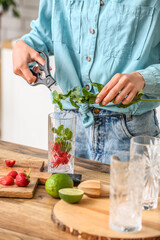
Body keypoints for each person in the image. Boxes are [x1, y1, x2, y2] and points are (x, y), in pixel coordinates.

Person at [12, 0, 160, 164]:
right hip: (67, 125)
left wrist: (143, 78)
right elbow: (45, 33)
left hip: (129, 131)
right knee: (60, 188)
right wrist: (23, 45)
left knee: (136, 190)